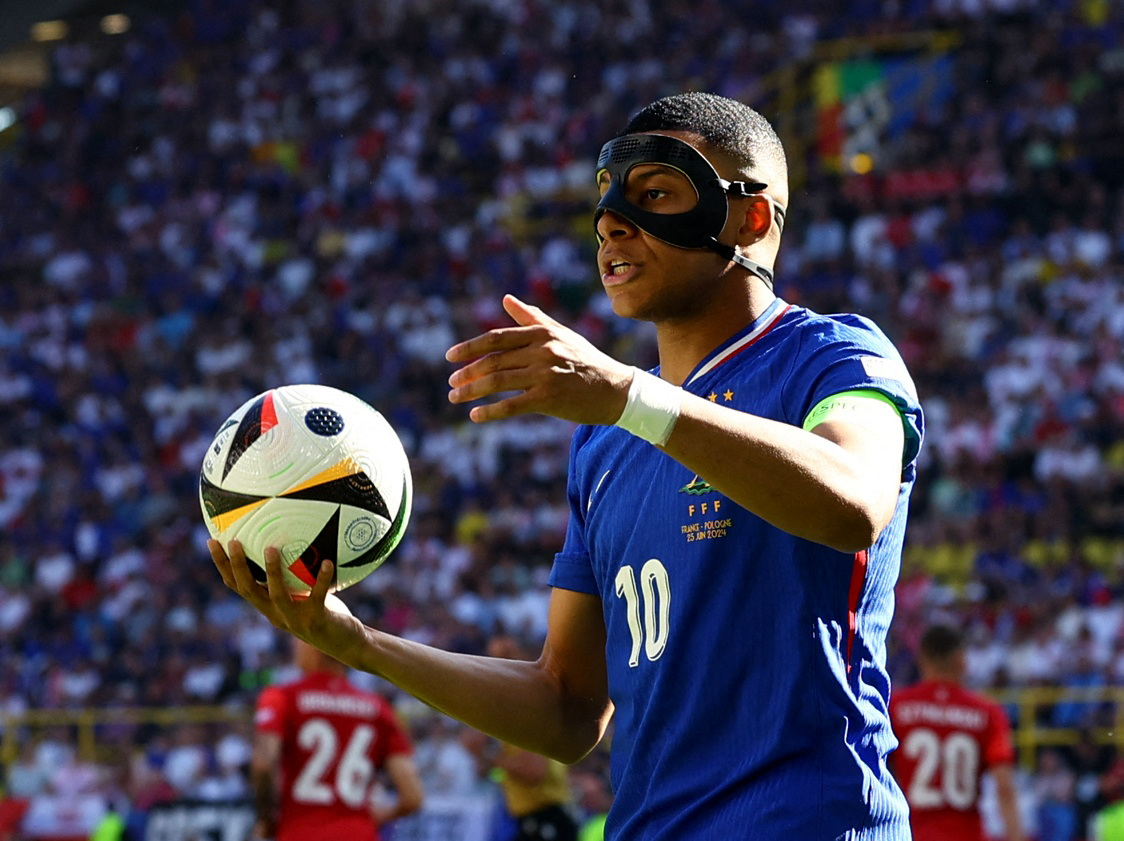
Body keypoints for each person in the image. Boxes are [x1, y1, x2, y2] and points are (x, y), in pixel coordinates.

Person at [211, 91, 924, 839]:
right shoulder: (605, 439)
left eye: (654, 192)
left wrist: (630, 398)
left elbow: (853, 498)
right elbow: (567, 706)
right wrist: (359, 644)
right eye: (607, 197)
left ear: (749, 217)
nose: (612, 219)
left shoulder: (837, 355)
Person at [251, 637, 423, 841]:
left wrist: (267, 819)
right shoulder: (379, 709)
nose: (294, 646)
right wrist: (370, 818)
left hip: (300, 831)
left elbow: (263, 765)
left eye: (298, 639)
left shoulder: (280, 697)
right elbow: (413, 798)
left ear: (314, 645)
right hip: (359, 833)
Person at [889, 623, 1025, 841]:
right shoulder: (987, 712)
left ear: (922, 659)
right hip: (968, 833)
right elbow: (1005, 788)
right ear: (962, 660)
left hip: (913, 833)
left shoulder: (896, 706)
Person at [463, 636, 579, 841]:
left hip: (545, 818)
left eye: (502, 659)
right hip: (533, 818)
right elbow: (485, 770)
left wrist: (489, 756)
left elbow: (534, 771)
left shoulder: (531, 711)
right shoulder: (511, 715)